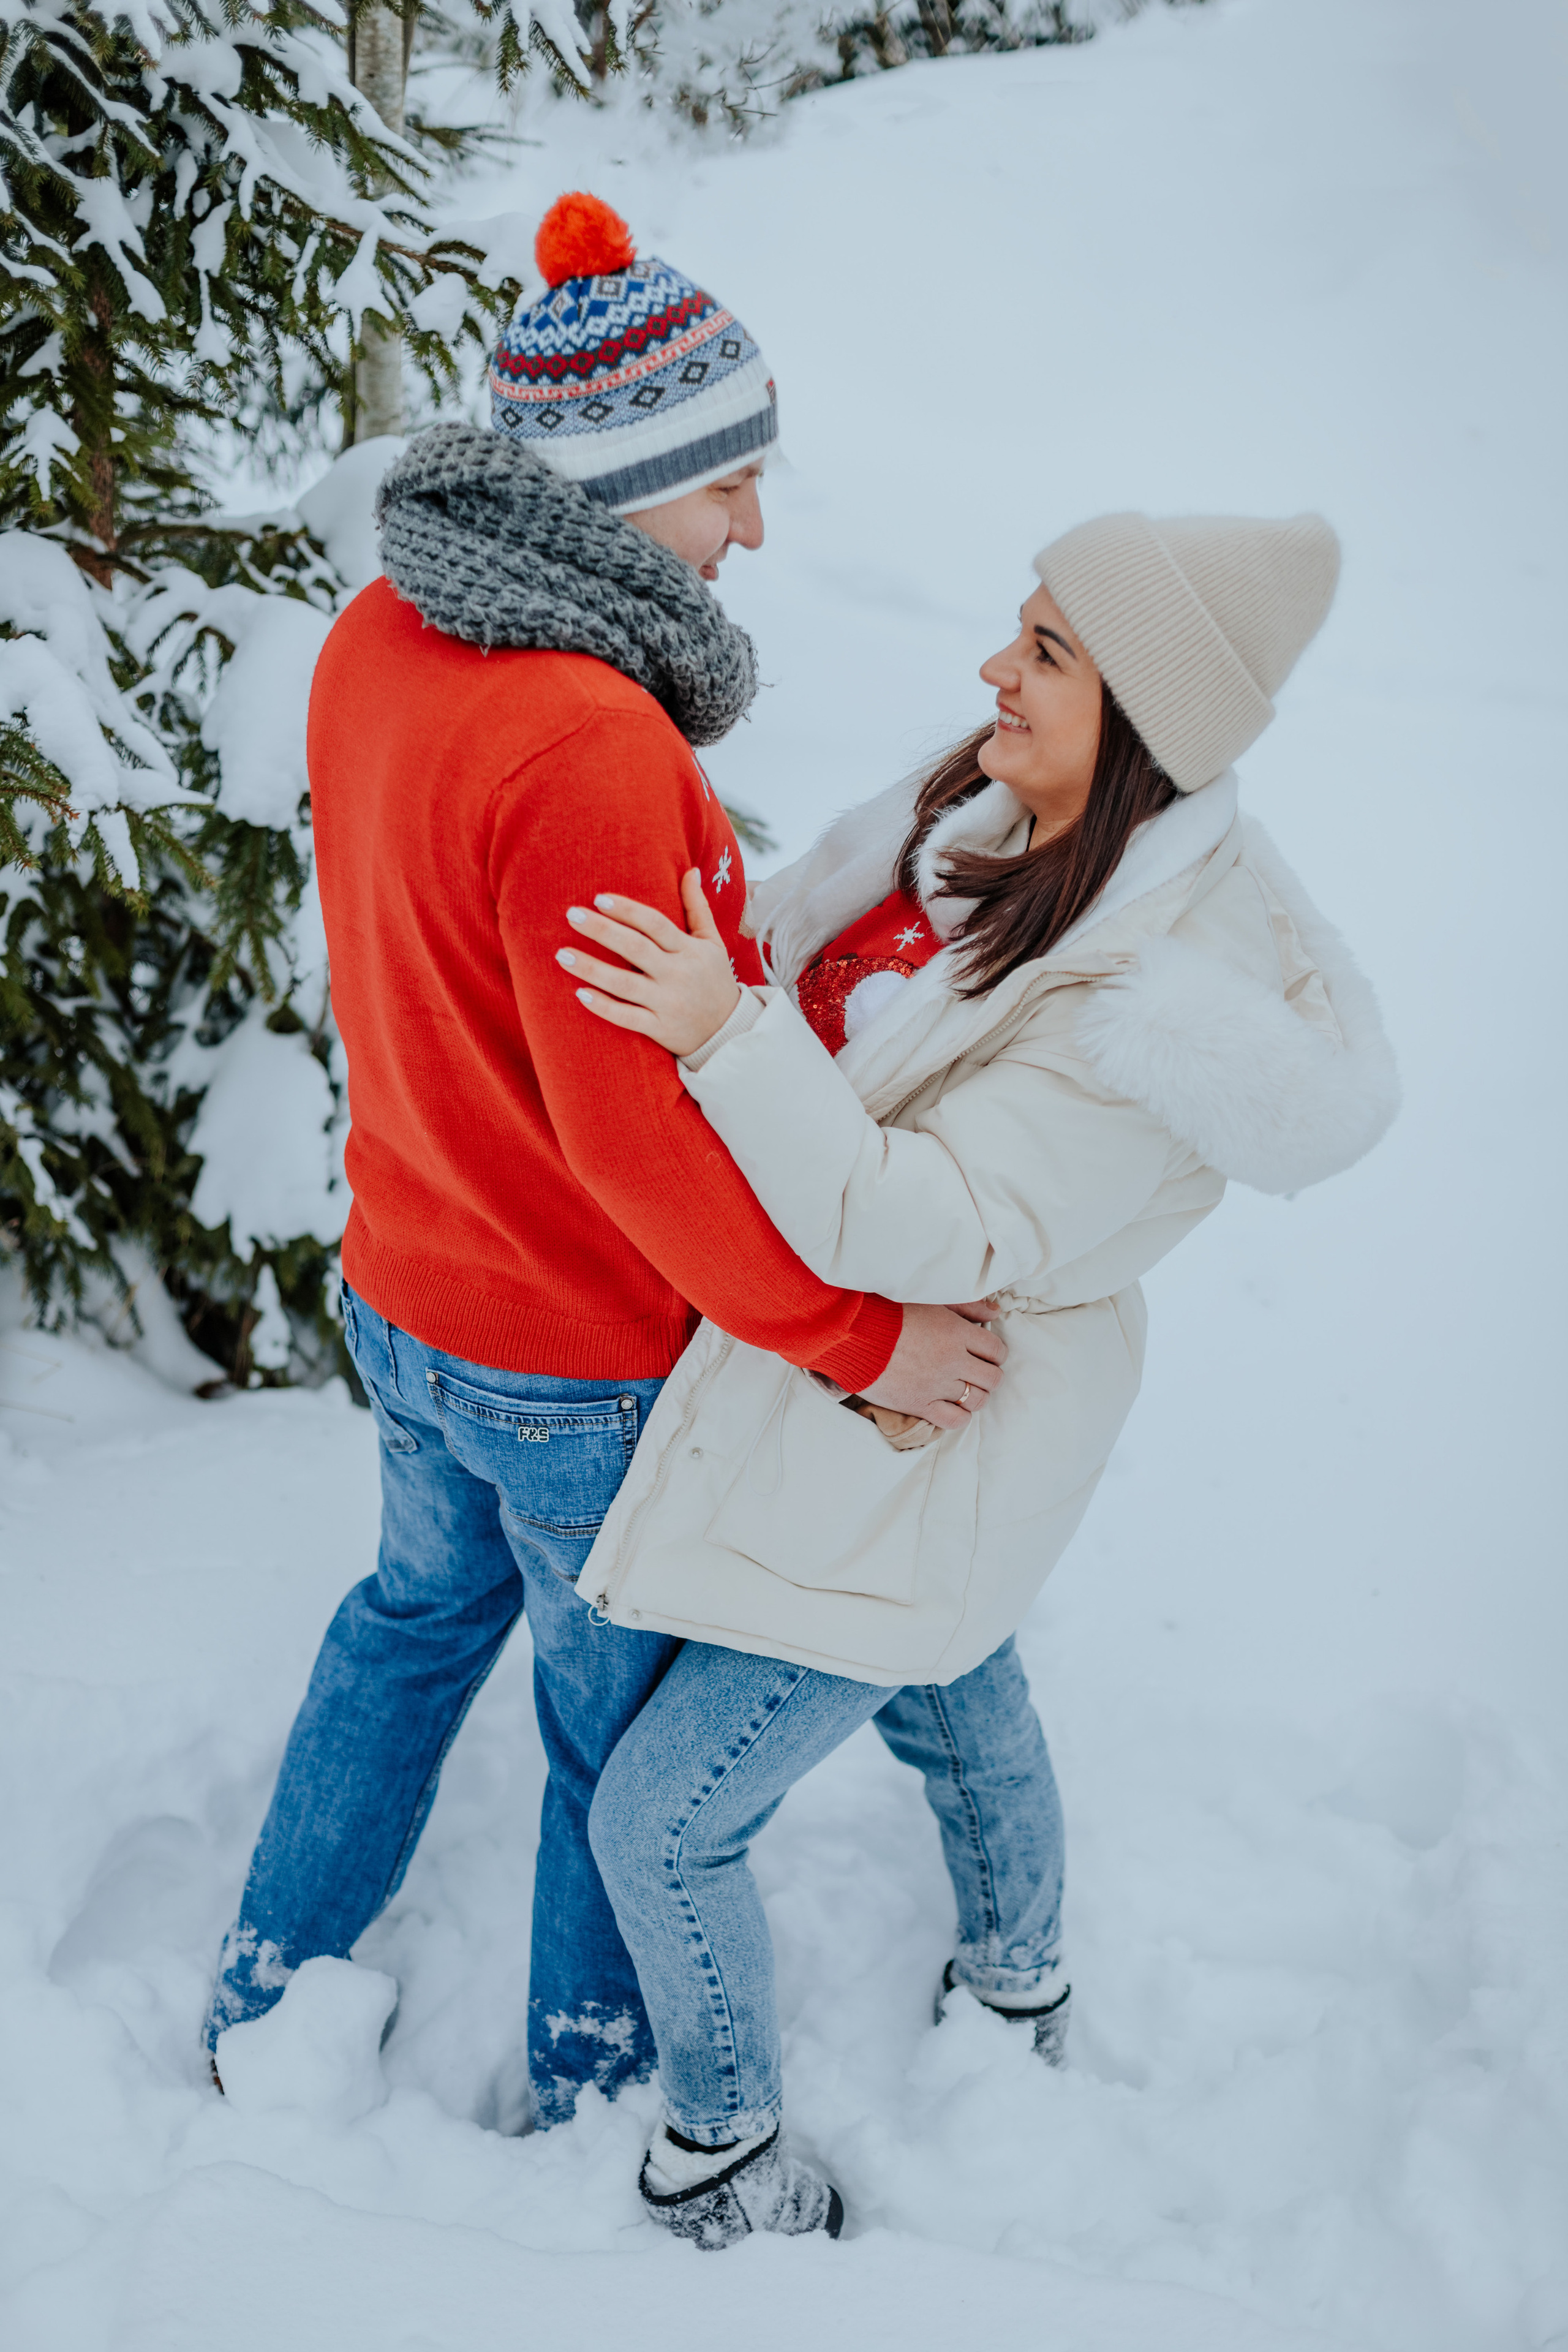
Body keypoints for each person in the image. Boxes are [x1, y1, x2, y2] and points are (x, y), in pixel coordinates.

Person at [202, 192, 1003, 2124]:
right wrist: (856, 1337)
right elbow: (635, 1141)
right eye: (730, 479)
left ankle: (264, 1979)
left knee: (403, 1629)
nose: (752, 530)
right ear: (629, 479)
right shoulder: (587, 740)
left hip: (403, 1289)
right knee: (608, 1732)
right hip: (572, 1361)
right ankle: (586, 2083)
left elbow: (435, 962)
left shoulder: (381, 636)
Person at [558, 510, 1401, 2247]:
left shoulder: (1151, 1008)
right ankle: (1018, 1981)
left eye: (1047, 651)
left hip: (929, 1413)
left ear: (1148, 721)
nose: (991, 672)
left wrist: (724, 1034)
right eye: (1016, 629)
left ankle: (722, 2154)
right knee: (954, 1680)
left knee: (663, 1820)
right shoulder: (1008, 819)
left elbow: (920, 1223)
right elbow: (826, 975)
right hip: (869, 1410)